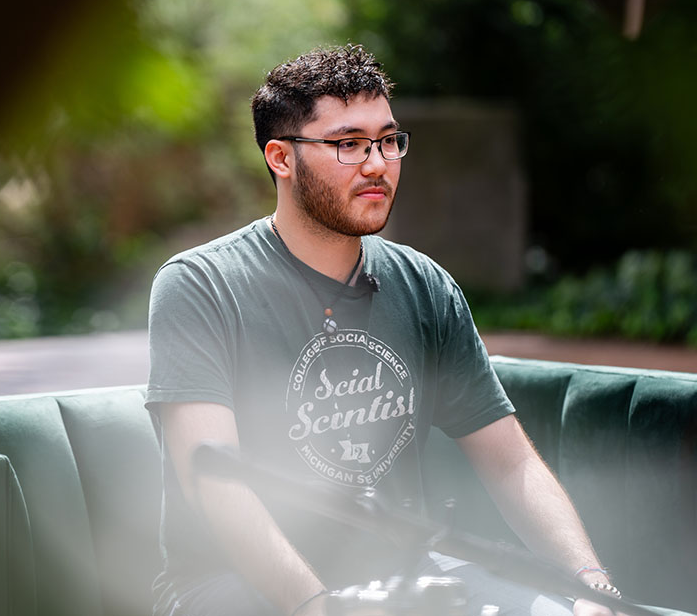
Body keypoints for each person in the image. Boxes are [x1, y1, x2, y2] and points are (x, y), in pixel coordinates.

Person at [144, 44, 620, 616]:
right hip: (235, 590)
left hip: (405, 578)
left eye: (388, 140)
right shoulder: (201, 285)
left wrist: (589, 584)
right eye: (347, 144)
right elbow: (214, 479)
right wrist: (319, 606)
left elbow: (510, 461)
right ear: (280, 158)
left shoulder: (424, 284)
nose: (377, 164)